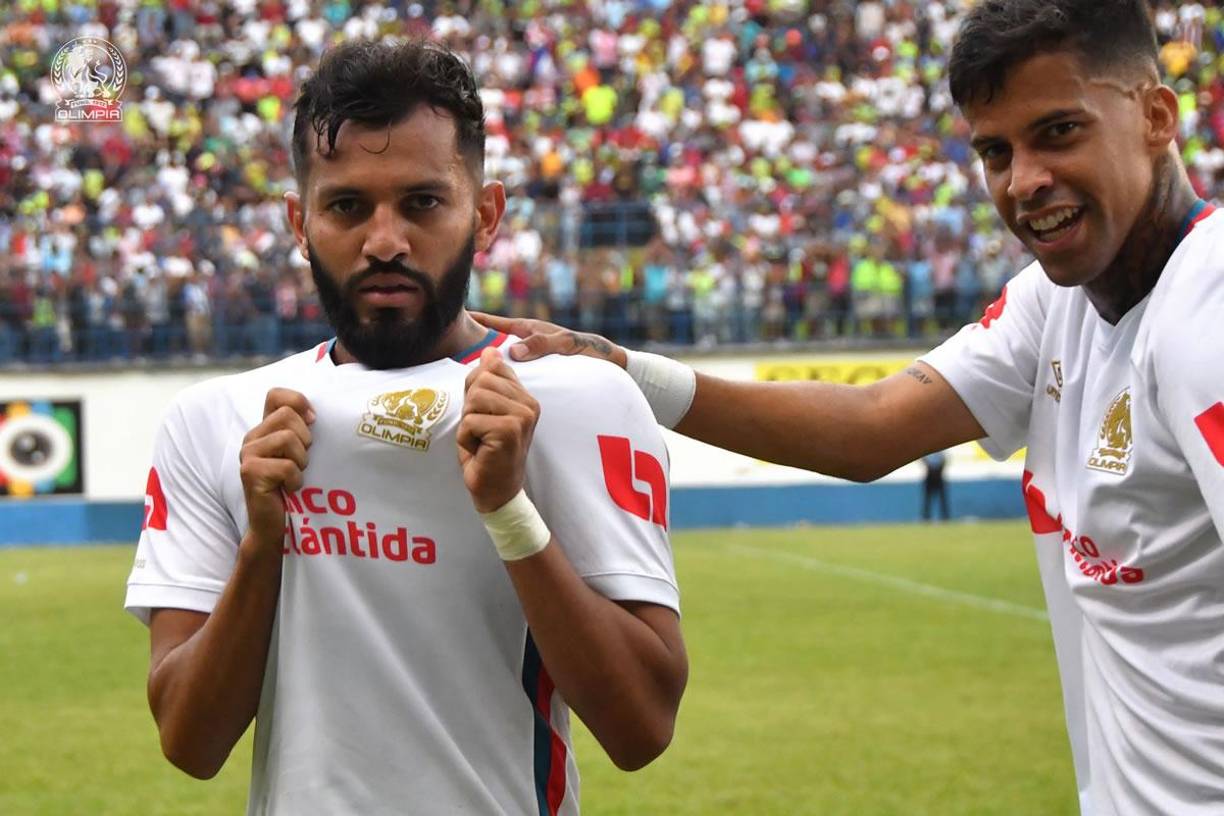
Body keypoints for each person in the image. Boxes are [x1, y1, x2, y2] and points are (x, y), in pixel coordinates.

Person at [476, 1, 1224, 812]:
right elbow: (869, 428)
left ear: (1156, 117)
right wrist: (622, 368)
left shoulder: (1205, 313)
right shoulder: (1055, 305)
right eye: (995, 151)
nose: (1024, 180)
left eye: (1059, 133)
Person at [124, 40, 686, 814]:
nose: (384, 241)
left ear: (484, 214)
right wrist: (263, 544)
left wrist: (508, 511)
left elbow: (642, 725)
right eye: (347, 205)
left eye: (422, 202)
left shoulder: (580, 398)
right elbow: (190, 742)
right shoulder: (216, 420)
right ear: (299, 220)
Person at [920, 450, 949, 521]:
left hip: (939, 475)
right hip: (929, 475)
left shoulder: (940, 451)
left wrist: (939, 470)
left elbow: (944, 460)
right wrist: (930, 468)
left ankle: (945, 517)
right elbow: (923, 460)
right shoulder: (927, 452)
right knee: (927, 498)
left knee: (942, 498)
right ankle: (926, 517)